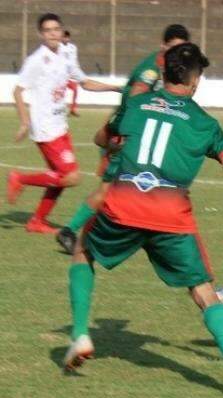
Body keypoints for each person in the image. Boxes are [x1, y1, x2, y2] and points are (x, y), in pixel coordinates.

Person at [63, 42, 223, 397]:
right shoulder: (205, 123)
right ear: (196, 81)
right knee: (204, 291)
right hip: (171, 215)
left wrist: (116, 144)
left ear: (164, 74)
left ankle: (81, 334)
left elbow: (102, 138)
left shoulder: (135, 104)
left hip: (124, 204)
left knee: (83, 250)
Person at [56, 24, 190, 254]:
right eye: (173, 48)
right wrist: (127, 135)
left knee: (127, 188)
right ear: (163, 46)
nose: (178, 53)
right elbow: (136, 98)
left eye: (183, 48)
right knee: (113, 189)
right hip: (125, 135)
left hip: (136, 136)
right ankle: (71, 231)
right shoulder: (151, 70)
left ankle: (78, 232)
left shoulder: (169, 68)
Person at [6, 13, 121, 234]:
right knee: (71, 177)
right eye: (48, 31)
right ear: (41, 34)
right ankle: (19, 178)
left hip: (61, 125)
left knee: (60, 178)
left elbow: (85, 82)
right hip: (46, 129)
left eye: (56, 29)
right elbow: (18, 90)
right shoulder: (36, 61)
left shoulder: (67, 54)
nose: (53, 34)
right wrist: (24, 121)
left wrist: (115, 88)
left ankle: (37, 221)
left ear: (61, 31)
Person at [61, 30, 80, 116]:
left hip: (71, 74)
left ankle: (73, 109)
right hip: (61, 74)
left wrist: (77, 69)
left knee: (75, 90)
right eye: (64, 37)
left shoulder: (73, 47)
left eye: (67, 37)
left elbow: (74, 60)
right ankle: (61, 110)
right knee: (61, 93)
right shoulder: (58, 47)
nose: (66, 39)